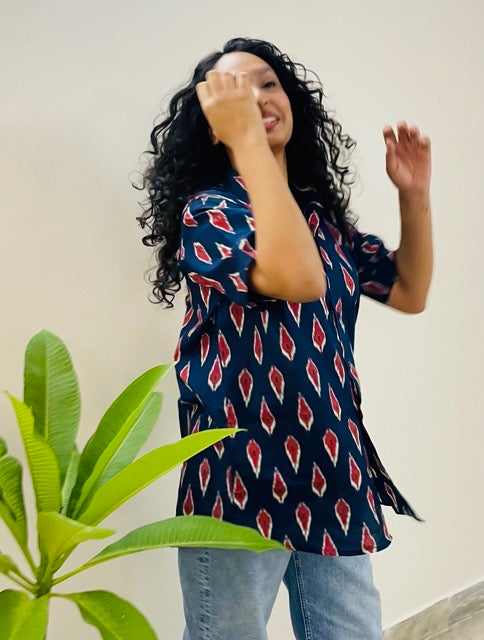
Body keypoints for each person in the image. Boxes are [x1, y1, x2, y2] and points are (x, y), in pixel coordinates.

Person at [136, 37, 433, 640]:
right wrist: (250, 145)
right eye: (235, 93)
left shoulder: (316, 217)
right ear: (214, 123)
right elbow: (297, 281)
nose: (258, 99)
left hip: (332, 465)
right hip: (240, 477)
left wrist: (414, 196)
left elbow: (407, 291)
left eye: (268, 83)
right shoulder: (211, 212)